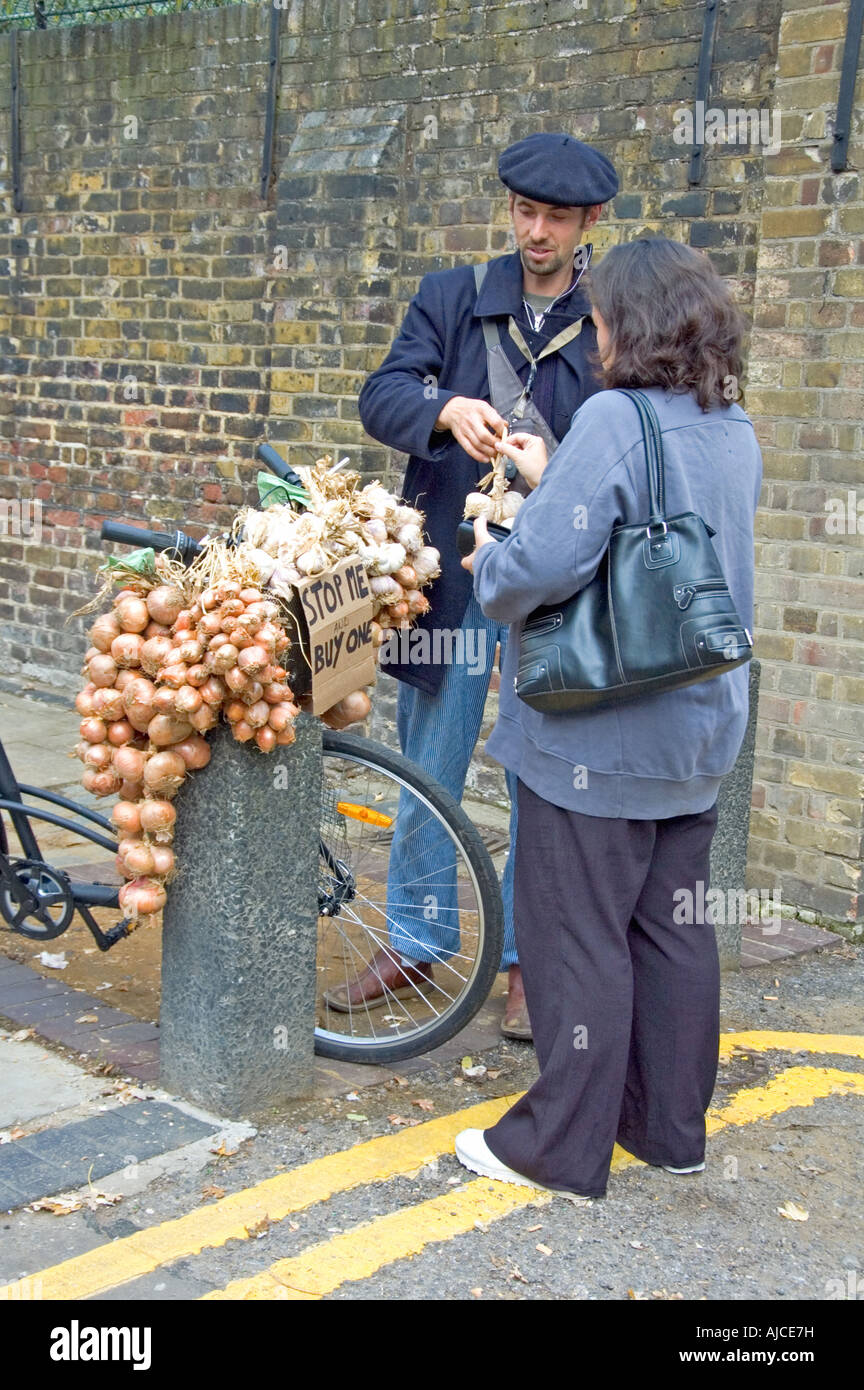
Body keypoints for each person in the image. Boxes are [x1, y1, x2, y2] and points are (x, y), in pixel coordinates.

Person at [455, 237, 762, 1198]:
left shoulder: (612, 418)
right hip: (700, 727)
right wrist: (563, 481)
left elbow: (542, 568)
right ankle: (668, 1130)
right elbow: (654, 540)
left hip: (603, 733)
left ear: (625, 325)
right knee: (672, 931)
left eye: (597, 321)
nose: (591, 336)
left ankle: (556, 1149)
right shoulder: (731, 424)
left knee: (574, 932)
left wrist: (491, 557)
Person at [330, 134, 619, 1039]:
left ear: (590, 223)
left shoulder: (611, 315)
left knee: (546, 772)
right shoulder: (451, 295)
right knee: (429, 755)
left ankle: (529, 958)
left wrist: (557, 467)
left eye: (557, 218)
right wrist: (441, 412)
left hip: (556, 580)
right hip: (449, 581)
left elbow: (629, 438)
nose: (537, 232)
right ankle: (415, 934)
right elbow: (381, 397)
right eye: (525, 213)